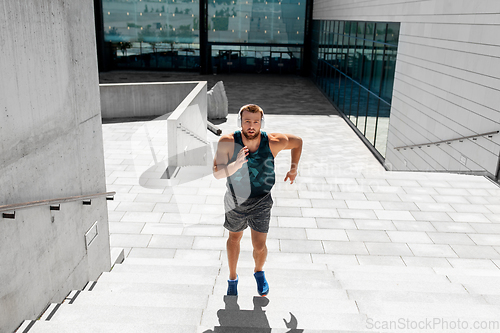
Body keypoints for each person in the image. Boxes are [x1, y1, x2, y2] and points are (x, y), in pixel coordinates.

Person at [213, 104, 303, 296]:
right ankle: (232, 278)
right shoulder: (228, 142)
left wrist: (293, 168)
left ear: (261, 122)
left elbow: (298, 142)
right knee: (234, 238)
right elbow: (217, 174)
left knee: (259, 245)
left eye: (256, 122)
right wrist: (236, 164)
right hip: (235, 200)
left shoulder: (272, 141)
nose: (251, 126)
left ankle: (259, 272)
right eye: (247, 122)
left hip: (262, 200)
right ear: (240, 122)